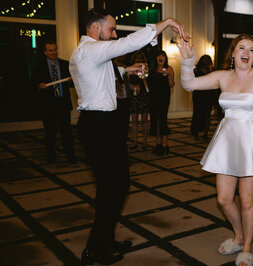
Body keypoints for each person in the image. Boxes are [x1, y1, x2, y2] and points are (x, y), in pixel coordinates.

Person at [69, 8, 189, 265]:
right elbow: (128, 42)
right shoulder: (90, 50)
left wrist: (126, 71)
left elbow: (99, 77)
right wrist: (166, 22)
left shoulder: (91, 53)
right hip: (97, 124)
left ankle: (105, 239)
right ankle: (95, 248)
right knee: (109, 188)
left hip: (105, 123)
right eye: (110, 29)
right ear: (94, 28)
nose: (114, 35)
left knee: (120, 183)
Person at [177, 34, 253, 266]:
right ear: (233, 53)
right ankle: (239, 235)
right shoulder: (223, 77)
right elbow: (189, 84)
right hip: (226, 141)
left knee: (246, 201)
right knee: (224, 199)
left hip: (251, 142)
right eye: (242, 48)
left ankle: (246, 247)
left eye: (252, 49)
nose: (247, 52)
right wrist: (186, 61)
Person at [32, 39, 76, 164]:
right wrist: (39, 86)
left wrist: (71, 80)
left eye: (55, 50)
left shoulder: (65, 64)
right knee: (50, 132)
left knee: (66, 132)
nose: (53, 52)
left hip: (63, 103)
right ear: (45, 52)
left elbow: (74, 83)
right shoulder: (39, 66)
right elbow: (34, 83)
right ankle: (51, 155)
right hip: (48, 105)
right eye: (50, 50)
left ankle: (70, 156)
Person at [147, 50, 175, 155]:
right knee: (155, 120)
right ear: (156, 58)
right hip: (153, 98)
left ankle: (165, 145)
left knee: (163, 120)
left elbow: (172, 85)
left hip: (164, 98)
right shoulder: (152, 70)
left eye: (163, 56)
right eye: (159, 56)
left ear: (165, 58)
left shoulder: (169, 69)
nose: (161, 57)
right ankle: (158, 144)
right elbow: (146, 82)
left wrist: (168, 75)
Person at [190, 54, 218, 139]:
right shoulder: (196, 70)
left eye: (207, 60)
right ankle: (196, 132)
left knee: (207, 115)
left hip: (209, 95)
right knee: (197, 113)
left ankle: (206, 133)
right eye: (204, 60)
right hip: (198, 94)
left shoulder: (213, 70)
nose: (205, 62)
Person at [126, 51, 150, 149]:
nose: (139, 60)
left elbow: (144, 79)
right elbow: (127, 81)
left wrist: (139, 84)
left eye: (140, 59)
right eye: (137, 59)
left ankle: (144, 141)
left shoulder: (145, 68)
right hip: (133, 95)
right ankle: (135, 142)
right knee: (134, 120)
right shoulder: (130, 68)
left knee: (144, 120)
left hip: (143, 95)